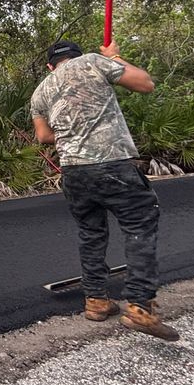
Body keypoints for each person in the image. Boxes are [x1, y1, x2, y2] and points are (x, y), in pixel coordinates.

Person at [30, 38, 180, 341]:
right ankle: (141, 307)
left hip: (74, 172)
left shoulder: (40, 91)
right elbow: (145, 84)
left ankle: (96, 300)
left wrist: (72, 129)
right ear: (76, 56)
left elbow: (43, 136)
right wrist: (115, 57)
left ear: (49, 66)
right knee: (139, 225)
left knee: (91, 233)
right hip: (112, 164)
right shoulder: (92, 62)